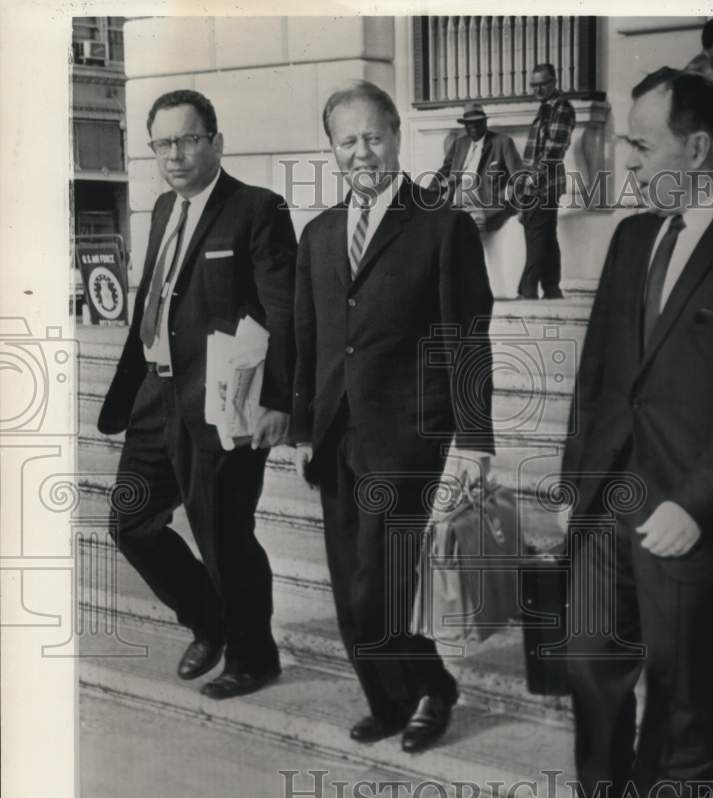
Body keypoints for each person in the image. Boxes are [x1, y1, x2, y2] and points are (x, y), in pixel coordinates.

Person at [560, 68, 713, 798]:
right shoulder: (632, 235)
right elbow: (599, 374)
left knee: (680, 690)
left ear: (699, 146)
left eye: (642, 146)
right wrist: (577, 488)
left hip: (695, 511)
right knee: (589, 665)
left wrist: (699, 503)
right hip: (611, 498)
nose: (628, 163)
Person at [291, 81, 494, 753]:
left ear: (397, 135)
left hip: (409, 435)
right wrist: (299, 427)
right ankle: (389, 700)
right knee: (352, 591)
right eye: (346, 141)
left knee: (380, 583)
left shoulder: (441, 223)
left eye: (372, 136)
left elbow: (467, 337)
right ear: (332, 149)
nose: (361, 152)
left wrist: (473, 441)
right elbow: (309, 337)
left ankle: (431, 687)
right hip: (335, 436)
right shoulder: (318, 234)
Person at [98, 89, 297, 700]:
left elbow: (284, 312)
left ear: (216, 141)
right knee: (131, 524)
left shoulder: (256, 209)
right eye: (163, 144)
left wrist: (280, 400)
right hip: (155, 402)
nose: (175, 155)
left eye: (188, 140)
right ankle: (209, 621)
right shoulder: (163, 208)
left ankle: (254, 656)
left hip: (223, 402)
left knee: (223, 532)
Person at [516, 63, 575, 300]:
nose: (538, 89)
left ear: (554, 82)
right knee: (547, 236)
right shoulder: (546, 108)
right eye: (534, 85)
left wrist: (532, 180)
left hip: (543, 184)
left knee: (536, 235)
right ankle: (552, 288)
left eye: (543, 84)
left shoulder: (560, 108)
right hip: (542, 182)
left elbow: (553, 150)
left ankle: (527, 289)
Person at [435, 102, 523, 232]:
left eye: (477, 123)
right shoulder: (459, 144)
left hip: (485, 209)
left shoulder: (502, 142)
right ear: (464, 125)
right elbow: (443, 172)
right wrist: (427, 196)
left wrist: (513, 209)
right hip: (457, 207)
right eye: (469, 124)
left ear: (485, 123)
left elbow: (519, 178)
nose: (473, 128)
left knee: (463, 236)